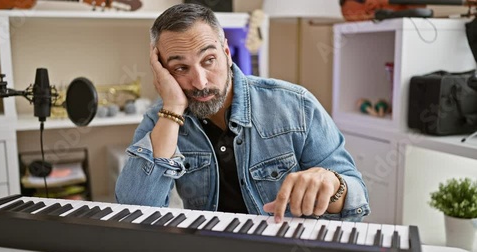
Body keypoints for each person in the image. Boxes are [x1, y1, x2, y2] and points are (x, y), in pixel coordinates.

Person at [115, 3, 370, 223]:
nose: (200, 82)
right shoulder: (162, 119)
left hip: (288, 251)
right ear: (162, 72)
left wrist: (332, 185)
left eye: (208, 60)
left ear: (226, 52)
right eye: (180, 68)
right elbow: (134, 210)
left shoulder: (296, 105)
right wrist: (172, 109)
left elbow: (357, 200)